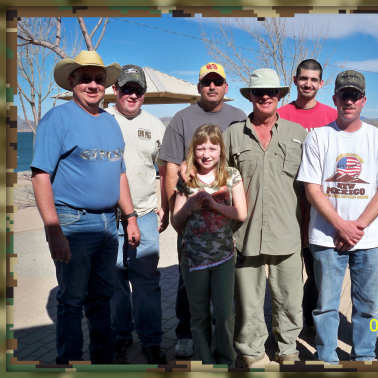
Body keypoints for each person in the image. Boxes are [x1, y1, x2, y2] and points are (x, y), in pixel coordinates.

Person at [30, 50, 140, 364]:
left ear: (107, 84)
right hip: (73, 223)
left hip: (109, 225)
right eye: (85, 78)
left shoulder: (110, 122)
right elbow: (40, 176)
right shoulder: (57, 119)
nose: (92, 84)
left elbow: (118, 172)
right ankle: (69, 362)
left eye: (98, 79)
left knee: (102, 299)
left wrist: (130, 217)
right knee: (71, 302)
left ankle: (103, 362)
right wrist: (54, 231)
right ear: (72, 82)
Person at [297, 70, 378, 364]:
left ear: (363, 100)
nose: (349, 101)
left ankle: (364, 355)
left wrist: (357, 227)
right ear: (335, 98)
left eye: (354, 96)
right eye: (344, 95)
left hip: (369, 239)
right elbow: (312, 189)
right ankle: (327, 357)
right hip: (327, 239)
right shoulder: (318, 137)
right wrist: (340, 225)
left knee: (366, 304)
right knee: (325, 304)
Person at [158, 62, 246, 358]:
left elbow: (237, 168)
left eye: (217, 82)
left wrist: (223, 207)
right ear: (198, 87)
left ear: (225, 87)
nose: (212, 86)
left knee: (224, 303)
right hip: (192, 228)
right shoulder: (182, 119)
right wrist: (173, 212)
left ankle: (225, 351)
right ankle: (186, 336)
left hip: (223, 233)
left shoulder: (238, 117)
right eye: (206, 82)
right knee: (189, 289)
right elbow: (171, 164)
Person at [223, 68, 307, 367]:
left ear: (281, 95)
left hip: (287, 231)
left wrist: (308, 230)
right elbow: (220, 182)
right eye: (259, 92)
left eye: (272, 92)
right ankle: (251, 351)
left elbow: (308, 187)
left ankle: (287, 348)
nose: (266, 96)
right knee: (247, 302)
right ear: (251, 96)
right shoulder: (232, 134)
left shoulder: (298, 134)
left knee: (289, 299)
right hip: (244, 234)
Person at [106, 65, 167, 364]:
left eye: (138, 90)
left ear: (144, 94)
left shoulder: (156, 126)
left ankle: (152, 340)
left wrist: (164, 205)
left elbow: (165, 170)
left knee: (146, 283)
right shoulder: (101, 120)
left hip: (144, 214)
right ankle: (120, 336)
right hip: (106, 217)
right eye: (126, 88)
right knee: (114, 282)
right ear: (115, 90)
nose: (132, 94)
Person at [173, 124, 247, 367]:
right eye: (201, 148)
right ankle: (206, 363)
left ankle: (226, 360)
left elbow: (241, 213)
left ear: (220, 150)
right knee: (199, 314)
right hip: (193, 259)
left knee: (225, 312)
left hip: (224, 256)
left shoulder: (231, 175)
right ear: (193, 151)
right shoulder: (187, 179)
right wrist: (189, 206)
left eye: (212, 148)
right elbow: (176, 219)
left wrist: (215, 205)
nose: (206, 154)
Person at [277, 59, 337, 333]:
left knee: (318, 272)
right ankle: (285, 323)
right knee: (286, 273)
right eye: (304, 78)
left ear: (321, 83)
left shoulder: (332, 116)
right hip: (287, 209)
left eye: (314, 79)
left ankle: (312, 322)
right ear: (294, 79)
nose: (308, 84)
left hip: (320, 212)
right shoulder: (280, 114)